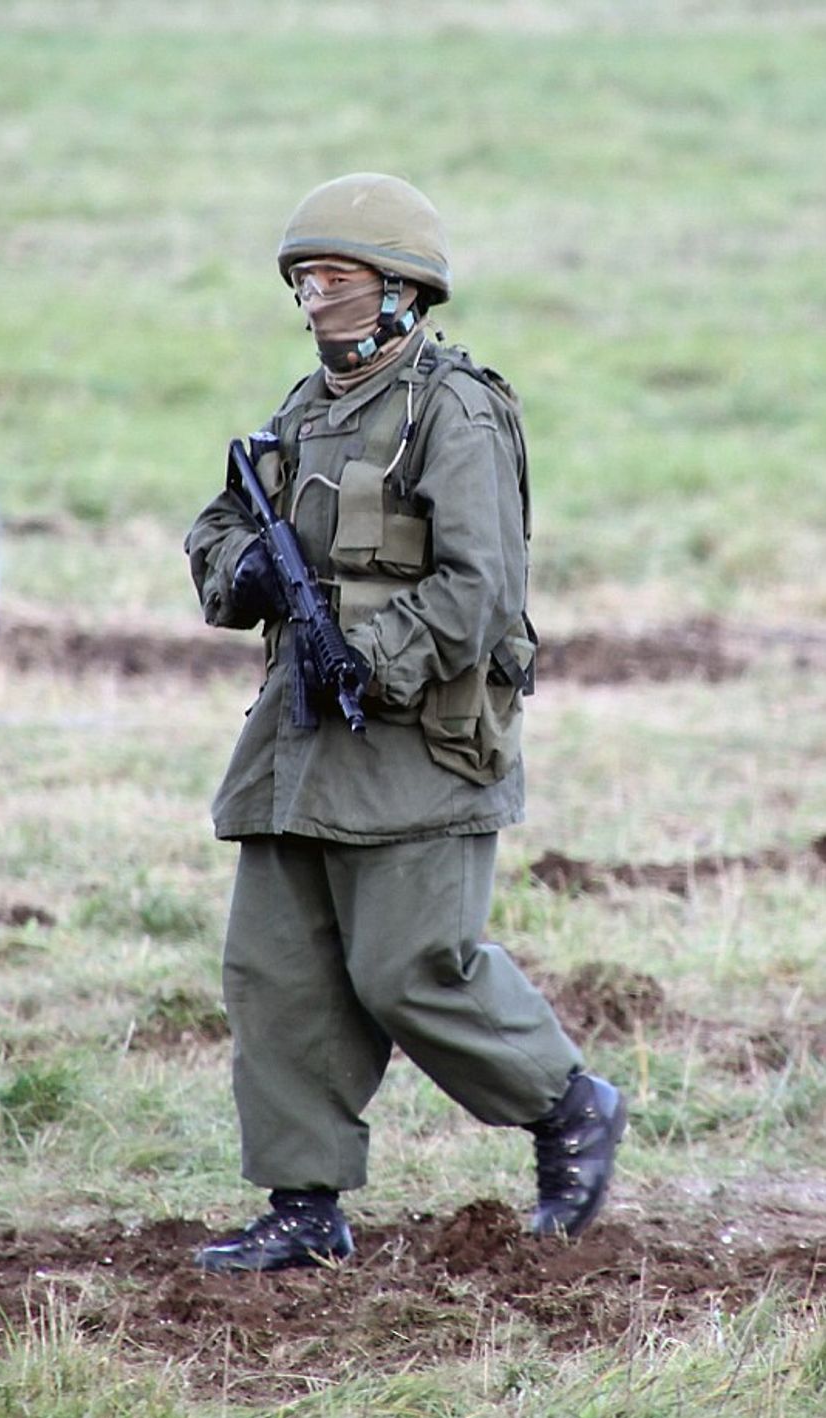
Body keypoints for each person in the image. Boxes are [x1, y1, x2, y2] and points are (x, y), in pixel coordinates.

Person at [184, 173, 625, 1273]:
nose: (315, 296)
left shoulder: (454, 410)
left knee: (409, 967)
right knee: (277, 974)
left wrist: (369, 660)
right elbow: (221, 520)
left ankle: (567, 1107)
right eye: (304, 278)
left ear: (399, 288)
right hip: (299, 740)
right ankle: (303, 1205)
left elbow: (482, 588)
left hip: (420, 739)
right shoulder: (304, 408)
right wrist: (241, 569)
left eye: (336, 276)